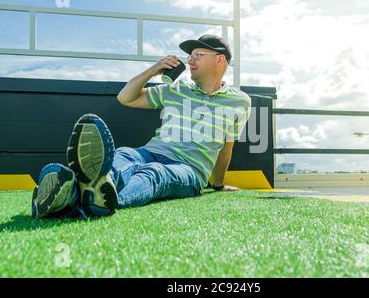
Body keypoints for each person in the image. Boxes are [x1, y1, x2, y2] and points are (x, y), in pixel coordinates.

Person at [31, 34, 251, 219]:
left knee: (155, 174)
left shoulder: (240, 102)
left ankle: (77, 196)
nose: (190, 61)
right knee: (123, 156)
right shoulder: (175, 89)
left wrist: (218, 185)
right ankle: (74, 195)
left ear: (220, 59)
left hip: (190, 170)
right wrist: (153, 70)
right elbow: (125, 98)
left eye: (197, 55)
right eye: (190, 56)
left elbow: (226, 148)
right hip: (151, 151)